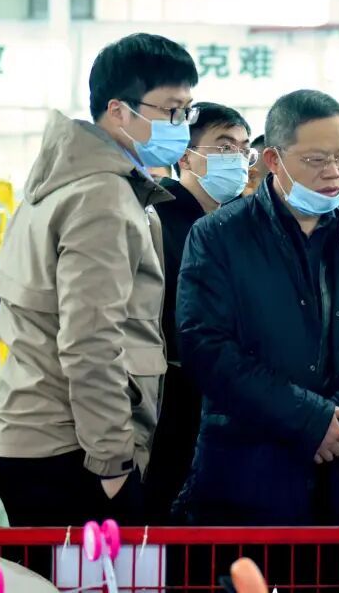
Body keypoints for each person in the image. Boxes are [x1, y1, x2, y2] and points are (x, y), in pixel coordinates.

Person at [0, 33, 198, 525]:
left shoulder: (64, 177)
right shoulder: (102, 197)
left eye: (187, 111)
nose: (181, 126)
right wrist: (112, 461)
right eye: (171, 111)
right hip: (70, 447)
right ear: (119, 111)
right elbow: (91, 340)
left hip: (33, 427)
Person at [174, 89, 339, 525]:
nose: (334, 173)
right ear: (273, 160)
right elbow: (206, 347)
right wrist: (308, 418)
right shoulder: (218, 235)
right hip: (250, 474)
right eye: (316, 160)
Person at [145, 102, 254, 520]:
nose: (237, 159)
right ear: (186, 157)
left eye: (243, 149)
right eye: (224, 147)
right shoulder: (156, 219)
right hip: (171, 396)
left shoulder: (241, 227)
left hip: (230, 397)